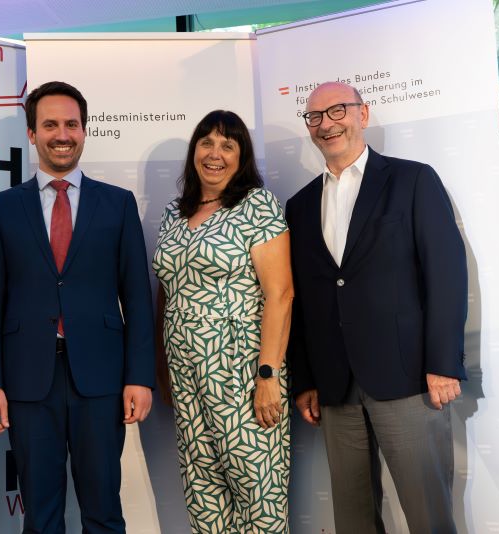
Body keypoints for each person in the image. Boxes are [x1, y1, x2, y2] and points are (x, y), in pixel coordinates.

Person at [0, 81, 155, 533]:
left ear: (84, 130)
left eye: (71, 124)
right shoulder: (2, 208)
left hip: (101, 379)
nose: (62, 134)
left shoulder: (117, 204)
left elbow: (137, 297)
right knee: (41, 515)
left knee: (104, 512)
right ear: (32, 134)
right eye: (50, 124)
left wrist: (139, 376)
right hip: (28, 381)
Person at [286, 81, 467, 533]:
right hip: (335, 386)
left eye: (338, 111)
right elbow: (303, 299)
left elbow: (446, 275)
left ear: (362, 114)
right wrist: (306, 379)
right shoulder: (299, 205)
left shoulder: (412, 180)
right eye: (315, 116)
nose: (326, 124)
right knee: (353, 521)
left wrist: (442, 363)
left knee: (428, 516)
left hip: (409, 379)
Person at [153, 110, 293, 533]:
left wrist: (268, 375)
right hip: (186, 375)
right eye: (207, 143)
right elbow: (167, 292)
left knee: (258, 498)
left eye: (227, 146)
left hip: (242, 371)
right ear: (194, 150)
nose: (215, 154)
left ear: (241, 157)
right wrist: (163, 370)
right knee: (204, 496)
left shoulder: (256, 205)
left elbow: (280, 294)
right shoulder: (174, 212)